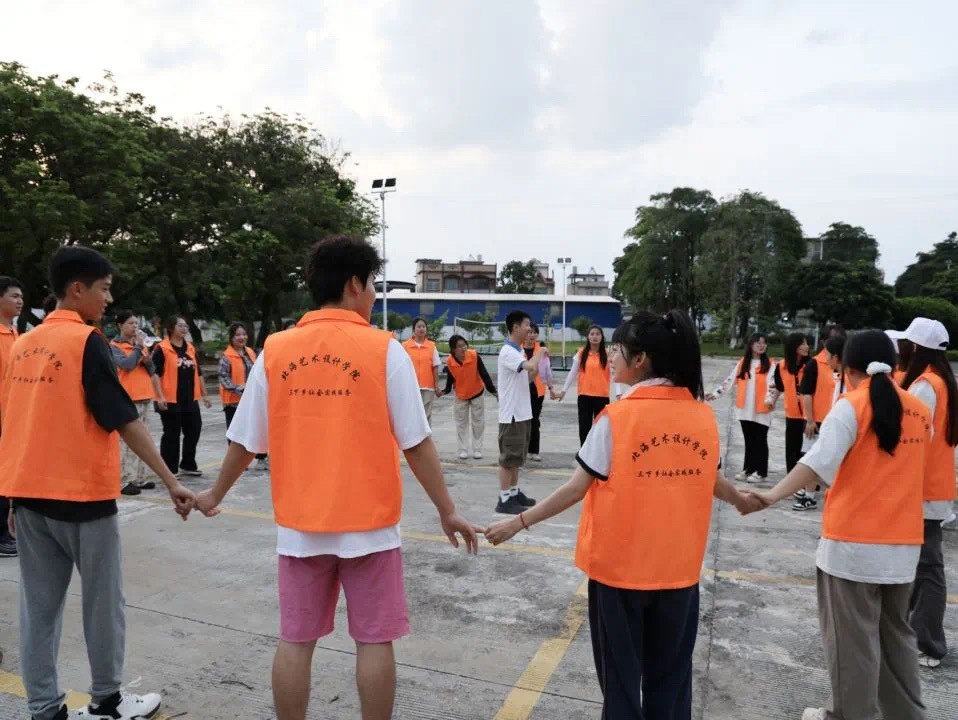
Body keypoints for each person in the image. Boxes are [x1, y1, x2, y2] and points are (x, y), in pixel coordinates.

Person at [193, 235, 479, 720]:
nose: (373, 294)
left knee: (295, 641)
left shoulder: (276, 350)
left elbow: (245, 440)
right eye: (373, 284)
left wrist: (214, 493)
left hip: (301, 527)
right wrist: (447, 510)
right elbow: (416, 443)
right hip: (370, 526)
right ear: (354, 284)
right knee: (374, 641)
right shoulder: (383, 350)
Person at [486, 310, 758, 719]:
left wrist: (517, 522)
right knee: (671, 686)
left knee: (622, 690)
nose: (610, 356)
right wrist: (739, 499)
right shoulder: (701, 415)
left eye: (618, 350)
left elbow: (575, 488)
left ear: (641, 359)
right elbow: (712, 478)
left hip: (619, 576)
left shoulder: (617, 418)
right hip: (679, 574)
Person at [0, 246, 195, 720]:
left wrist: (11, 498)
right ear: (77, 289)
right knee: (103, 604)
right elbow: (124, 419)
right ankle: (107, 700)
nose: (109, 300)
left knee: (38, 610)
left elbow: (14, 421)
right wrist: (171, 480)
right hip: (82, 496)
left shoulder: (23, 344)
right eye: (104, 290)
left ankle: (44, 708)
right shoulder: (85, 342)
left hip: (29, 497)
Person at [744, 330, 930, 720]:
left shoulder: (850, 407)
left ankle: (849, 715)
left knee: (852, 645)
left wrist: (771, 496)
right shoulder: (918, 409)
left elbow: (815, 465)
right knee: (896, 638)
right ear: (894, 364)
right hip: (904, 546)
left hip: (852, 548)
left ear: (847, 367)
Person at [898, 317, 957, 669]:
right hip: (936, 487)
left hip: (922, 490)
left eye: (906, 343)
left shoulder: (924, 386)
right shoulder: (944, 382)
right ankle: (914, 633)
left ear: (916, 348)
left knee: (928, 568)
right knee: (923, 566)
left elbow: (912, 441)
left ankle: (929, 643)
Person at [708, 333, 776, 483]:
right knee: (749, 440)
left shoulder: (770, 364)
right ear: (751, 345)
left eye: (764, 343)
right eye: (758, 343)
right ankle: (748, 469)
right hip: (745, 409)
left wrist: (770, 399)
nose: (762, 345)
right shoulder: (743, 363)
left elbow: (773, 385)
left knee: (760, 440)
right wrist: (715, 394)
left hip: (762, 409)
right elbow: (729, 381)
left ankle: (761, 472)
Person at [495, 310, 545, 514]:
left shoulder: (519, 351)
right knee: (508, 460)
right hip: (512, 416)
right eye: (527, 325)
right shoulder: (508, 352)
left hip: (522, 413)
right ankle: (504, 499)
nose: (529, 330)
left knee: (516, 459)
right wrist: (541, 351)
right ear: (515, 327)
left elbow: (527, 377)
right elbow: (530, 365)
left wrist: (537, 368)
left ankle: (514, 493)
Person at [110, 310, 165, 496]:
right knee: (126, 441)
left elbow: (152, 370)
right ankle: (124, 479)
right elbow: (126, 365)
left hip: (144, 395)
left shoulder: (139, 345)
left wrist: (147, 359)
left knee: (144, 439)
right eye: (130, 323)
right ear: (120, 325)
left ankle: (140, 478)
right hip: (128, 397)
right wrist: (138, 348)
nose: (134, 327)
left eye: (136, 323)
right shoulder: (114, 346)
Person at [152, 316, 212, 477]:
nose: (184, 328)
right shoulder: (162, 348)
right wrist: (159, 396)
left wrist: (205, 395)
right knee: (171, 434)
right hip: (170, 399)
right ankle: (169, 469)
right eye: (180, 325)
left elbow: (198, 372)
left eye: (186, 326)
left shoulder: (190, 348)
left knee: (194, 429)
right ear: (171, 328)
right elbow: (154, 374)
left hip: (190, 398)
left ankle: (188, 464)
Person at [794, 331, 847, 510]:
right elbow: (806, 393)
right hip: (817, 422)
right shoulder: (815, 364)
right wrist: (810, 420)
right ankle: (808, 495)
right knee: (812, 458)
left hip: (837, 424)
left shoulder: (849, 374)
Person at [219, 321, 268, 471]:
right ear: (231, 338)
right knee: (236, 433)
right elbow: (223, 377)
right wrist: (237, 389)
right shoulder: (226, 356)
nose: (242, 337)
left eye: (244, 334)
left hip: (251, 400)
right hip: (234, 401)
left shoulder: (250, 353)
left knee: (257, 427)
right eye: (238, 335)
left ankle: (261, 458)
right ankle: (236, 463)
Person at [438, 335, 496, 460]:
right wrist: (445, 391)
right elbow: (450, 378)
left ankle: (477, 449)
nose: (463, 348)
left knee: (478, 422)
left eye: (464, 345)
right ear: (453, 349)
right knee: (461, 423)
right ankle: (463, 449)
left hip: (477, 392)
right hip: (461, 395)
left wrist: (493, 390)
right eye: (459, 346)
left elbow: (484, 374)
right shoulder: (450, 361)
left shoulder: (474, 355)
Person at [555, 324, 613, 445]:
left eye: (598, 334)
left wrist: (618, 393)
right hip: (584, 396)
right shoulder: (581, 353)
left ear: (602, 337)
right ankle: (584, 452)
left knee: (601, 428)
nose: (595, 337)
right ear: (588, 337)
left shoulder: (607, 354)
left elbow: (614, 373)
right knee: (584, 427)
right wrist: (563, 391)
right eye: (592, 334)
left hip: (602, 397)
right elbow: (572, 373)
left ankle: (598, 453)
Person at [0, 276, 24, 560]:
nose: (20, 301)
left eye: (21, 296)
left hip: (15, 416)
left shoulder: (16, 334)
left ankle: (8, 531)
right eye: (14, 296)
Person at [402, 317, 441, 425]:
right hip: (410, 386)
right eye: (418, 326)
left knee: (426, 415)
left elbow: (435, 367)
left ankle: (426, 435)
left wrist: (436, 386)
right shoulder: (405, 346)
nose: (421, 329)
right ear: (413, 329)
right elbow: (401, 366)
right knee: (411, 414)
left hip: (427, 387)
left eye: (423, 326)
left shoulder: (432, 346)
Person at [524, 323, 553, 462]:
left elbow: (547, 371)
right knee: (522, 420)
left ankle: (534, 450)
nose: (532, 335)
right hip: (521, 389)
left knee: (534, 420)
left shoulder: (541, 350)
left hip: (537, 390)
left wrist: (551, 388)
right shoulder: (518, 349)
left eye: (534, 332)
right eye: (529, 332)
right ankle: (523, 449)